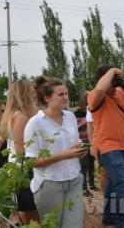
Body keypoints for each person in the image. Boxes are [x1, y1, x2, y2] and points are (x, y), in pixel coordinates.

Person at [24, 76, 88, 228]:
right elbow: (31, 162)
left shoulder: (70, 117)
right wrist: (63, 156)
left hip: (74, 180)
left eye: (66, 93)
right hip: (49, 184)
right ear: (47, 98)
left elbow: (72, 144)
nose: (66, 97)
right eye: (61, 94)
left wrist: (79, 150)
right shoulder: (35, 123)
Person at [88, 64, 124, 228]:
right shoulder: (95, 95)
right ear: (105, 80)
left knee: (113, 183)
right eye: (113, 80)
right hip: (106, 146)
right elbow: (99, 90)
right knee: (122, 180)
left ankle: (109, 218)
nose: (116, 83)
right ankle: (120, 220)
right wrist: (111, 71)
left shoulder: (119, 93)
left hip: (121, 146)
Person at [0, 79, 41, 225]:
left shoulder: (16, 114)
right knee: (30, 210)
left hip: (18, 167)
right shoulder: (20, 116)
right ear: (25, 94)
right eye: (31, 91)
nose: (34, 94)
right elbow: (20, 149)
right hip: (22, 169)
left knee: (28, 210)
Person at [74, 94, 100, 197]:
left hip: (91, 141)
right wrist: (83, 123)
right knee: (83, 166)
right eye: (86, 104)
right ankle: (84, 189)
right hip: (82, 142)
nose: (88, 106)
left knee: (91, 164)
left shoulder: (93, 112)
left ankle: (92, 185)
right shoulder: (77, 113)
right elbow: (73, 128)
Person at [86, 108, 108, 194]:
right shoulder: (93, 103)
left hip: (116, 140)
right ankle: (106, 198)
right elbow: (89, 127)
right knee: (105, 171)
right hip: (101, 142)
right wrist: (91, 145)